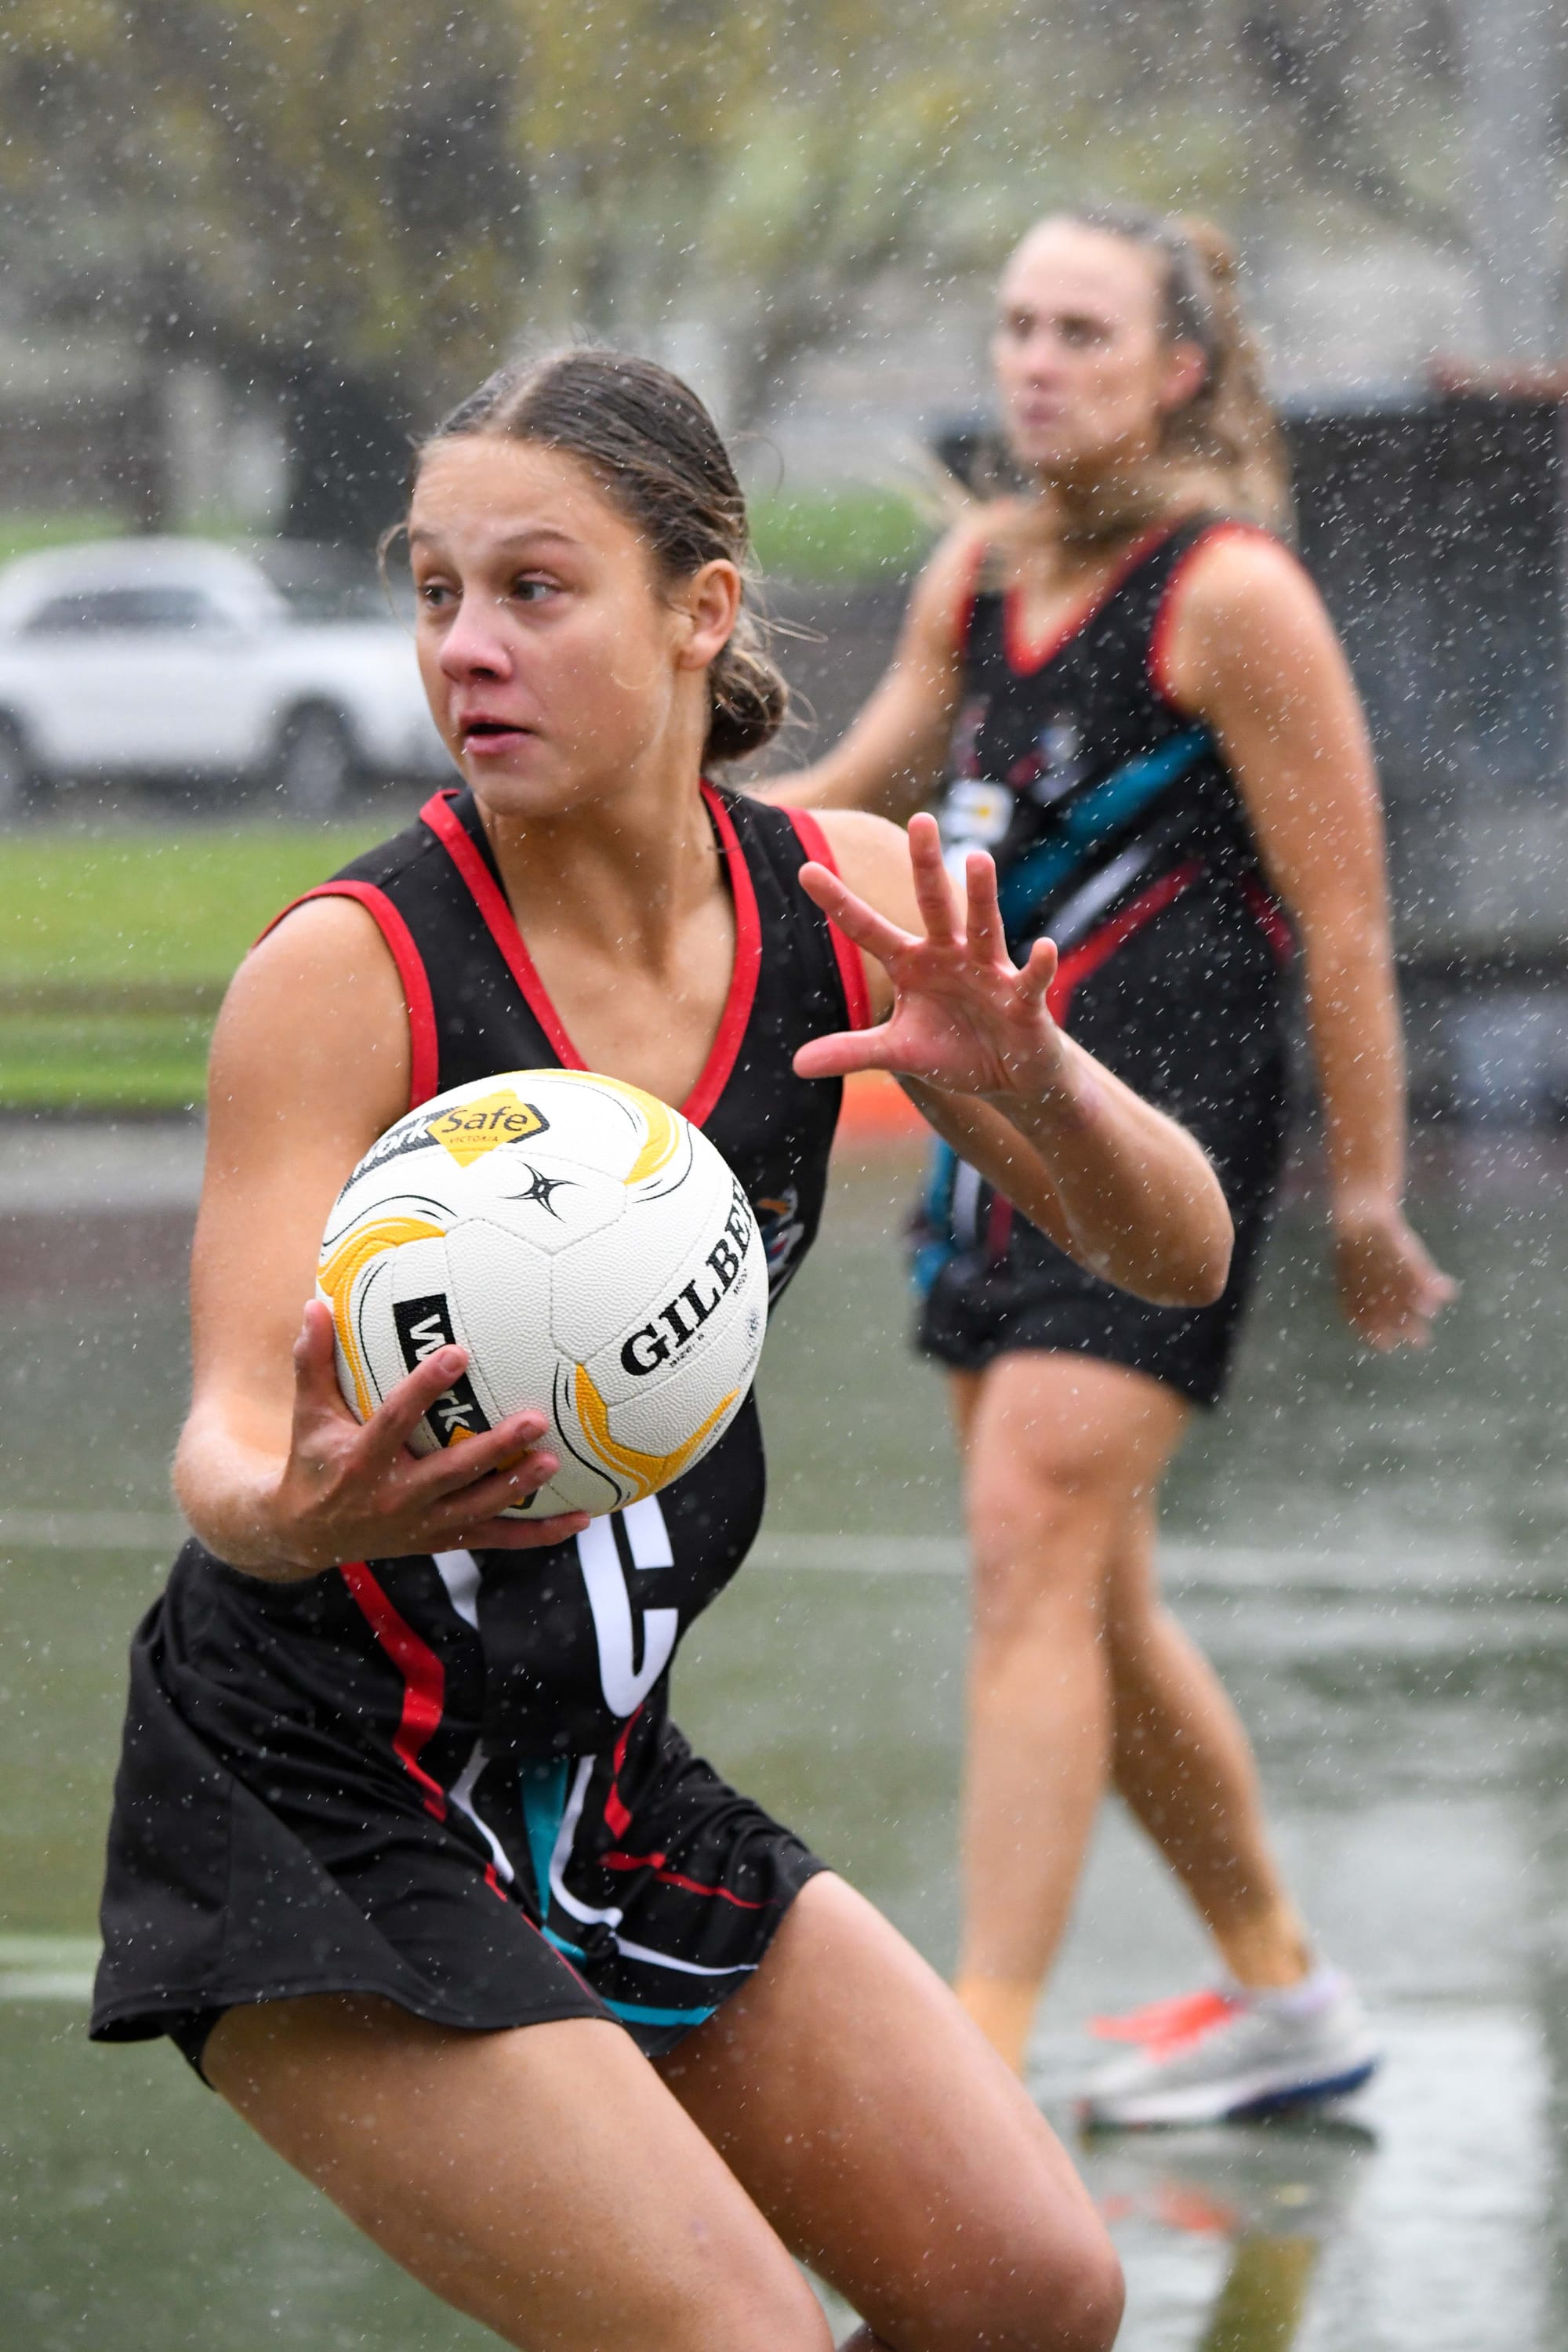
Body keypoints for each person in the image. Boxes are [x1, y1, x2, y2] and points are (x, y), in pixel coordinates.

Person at [89, 348, 1236, 2350]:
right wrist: (295, 1511)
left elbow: (1177, 1248)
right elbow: (216, 1447)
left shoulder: (853, 908)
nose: (469, 647)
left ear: (704, 609)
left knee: (1030, 2296)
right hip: (309, 1778)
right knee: (735, 2339)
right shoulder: (349, 975)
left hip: (599, 1768)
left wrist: (1037, 1081)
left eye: (536, 588)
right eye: (437, 591)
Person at [771, 208, 1454, 2122]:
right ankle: (1284, 1999)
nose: (1035, 361)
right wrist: (638, 799)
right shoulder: (976, 577)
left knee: (1024, 1541)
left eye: (1082, 330)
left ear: (1176, 370)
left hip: (1167, 1150)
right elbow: (848, 802)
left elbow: (1345, 923)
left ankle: (968, 2060)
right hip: (999, 1145)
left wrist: (1368, 1194)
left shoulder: (1231, 596)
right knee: (1089, 1593)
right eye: (1015, 326)